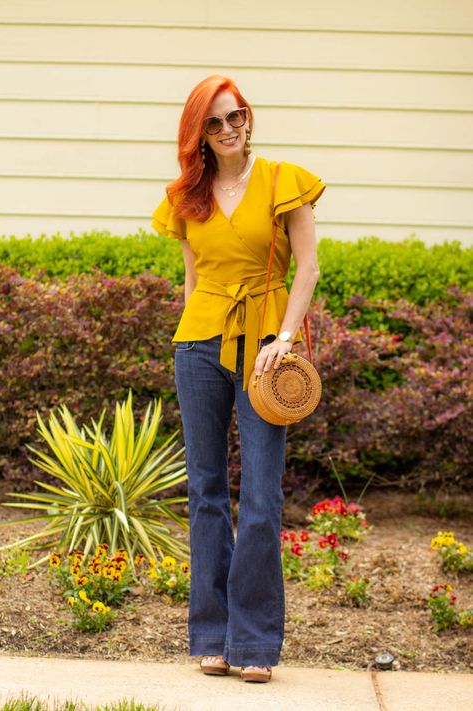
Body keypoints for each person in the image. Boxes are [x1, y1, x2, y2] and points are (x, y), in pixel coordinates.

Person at [151, 75, 326, 683]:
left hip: (265, 349)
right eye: (216, 122)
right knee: (204, 492)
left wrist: (284, 337)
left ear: (249, 119)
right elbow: (194, 282)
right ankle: (210, 635)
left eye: (238, 116)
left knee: (260, 497)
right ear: (198, 133)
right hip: (198, 344)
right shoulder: (187, 197)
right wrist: (186, 338)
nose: (230, 129)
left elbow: (307, 268)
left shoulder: (284, 181)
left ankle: (253, 642)